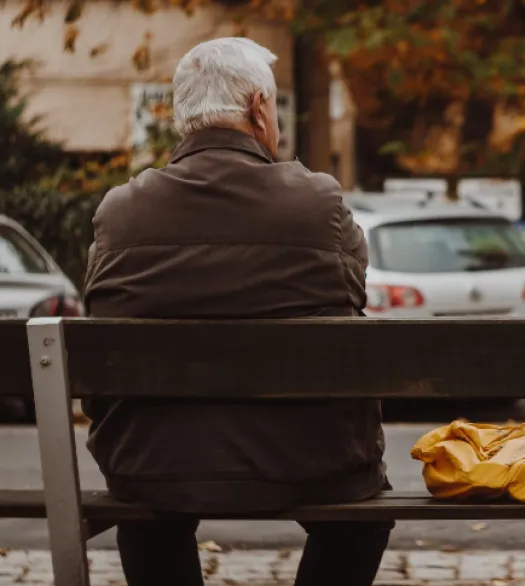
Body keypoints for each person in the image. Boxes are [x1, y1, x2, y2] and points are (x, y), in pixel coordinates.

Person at [83, 38, 391, 586]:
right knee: (359, 519)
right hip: (310, 463)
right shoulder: (318, 204)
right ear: (257, 109)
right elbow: (353, 296)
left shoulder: (121, 212)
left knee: (150, 512)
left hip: (153, 467)